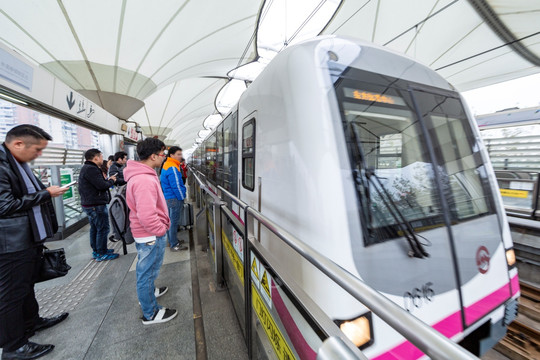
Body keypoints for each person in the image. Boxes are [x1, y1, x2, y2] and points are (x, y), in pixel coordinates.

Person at [0, 125, 69, 359]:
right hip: (10, 244)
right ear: (18, 144)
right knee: (10, 295)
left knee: (26, 286)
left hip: (27, 239)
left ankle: (31, 322)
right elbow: (4, 206)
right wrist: (46, 194)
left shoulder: (17, 164)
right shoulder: (1, 166)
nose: (38, 155)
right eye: (37, 150)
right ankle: (13, 347)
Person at [124, 138, 177, 325]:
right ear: (153, 156)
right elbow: (147, 216)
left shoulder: (141, 175)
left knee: (148, 271)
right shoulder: (144, 180)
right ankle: (151, 313)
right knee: (146, 273)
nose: (164, 157)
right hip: (150, 236)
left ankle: (149, 293)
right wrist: (161, 230)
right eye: (162, 154)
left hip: (146, 234)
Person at [78, 149, 119, 261]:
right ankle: (102, 253)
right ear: (95, 158)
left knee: (95, 228)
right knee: (103, 228)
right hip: (95, 205)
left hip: (90, 204)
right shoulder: (92, 169)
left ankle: (97, 251)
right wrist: (112, 181)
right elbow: (101, 186)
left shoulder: (87, 168)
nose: (102, 159)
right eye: (101, 157)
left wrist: (107, 180)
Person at [160, 146, 187, 251]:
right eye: (178, 154)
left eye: (181, 154)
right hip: (174, 198)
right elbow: (176, 185)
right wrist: (182, 197)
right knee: (173, 222)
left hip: (168, 197)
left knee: (170, 221)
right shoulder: (172, 167)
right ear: (171, 155)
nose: (180, 156)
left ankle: (172, 240)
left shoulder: (167, 164)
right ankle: (174, 244)